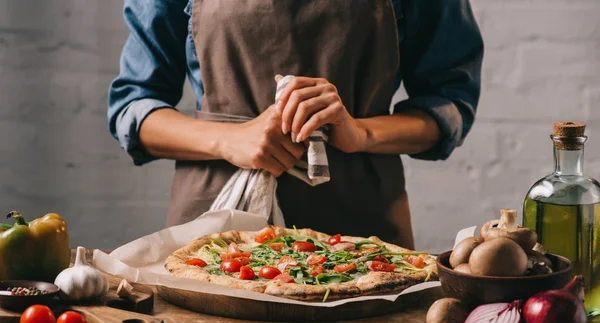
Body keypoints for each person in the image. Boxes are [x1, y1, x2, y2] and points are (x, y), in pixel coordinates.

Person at [108, 0, 483, 249]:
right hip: (214, 232)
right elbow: (133, 108)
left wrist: (360, 133)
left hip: (361, 229)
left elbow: (450, 105)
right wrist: (231, 139)